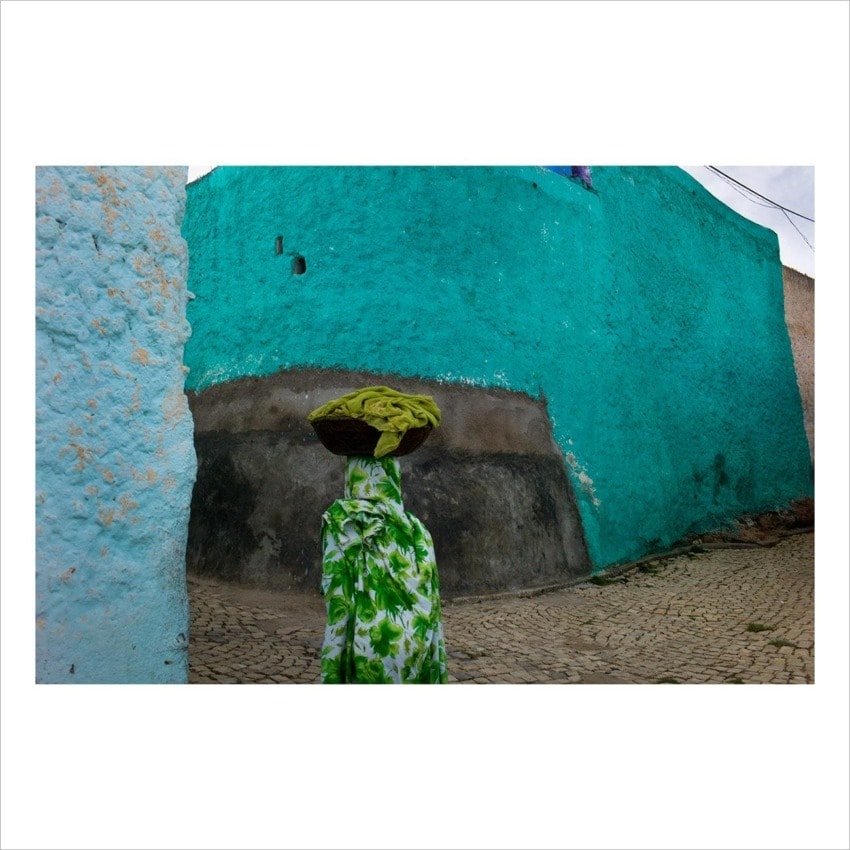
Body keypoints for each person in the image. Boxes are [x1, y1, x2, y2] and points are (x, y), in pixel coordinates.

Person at [318, 454, 448, 684]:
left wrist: (333, 671)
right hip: (416, 653)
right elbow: (434, 605)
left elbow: (337, 598)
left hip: (366, 654)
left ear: (352, 477)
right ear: (393, 478)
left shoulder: (341, 523)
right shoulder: (419, 531)